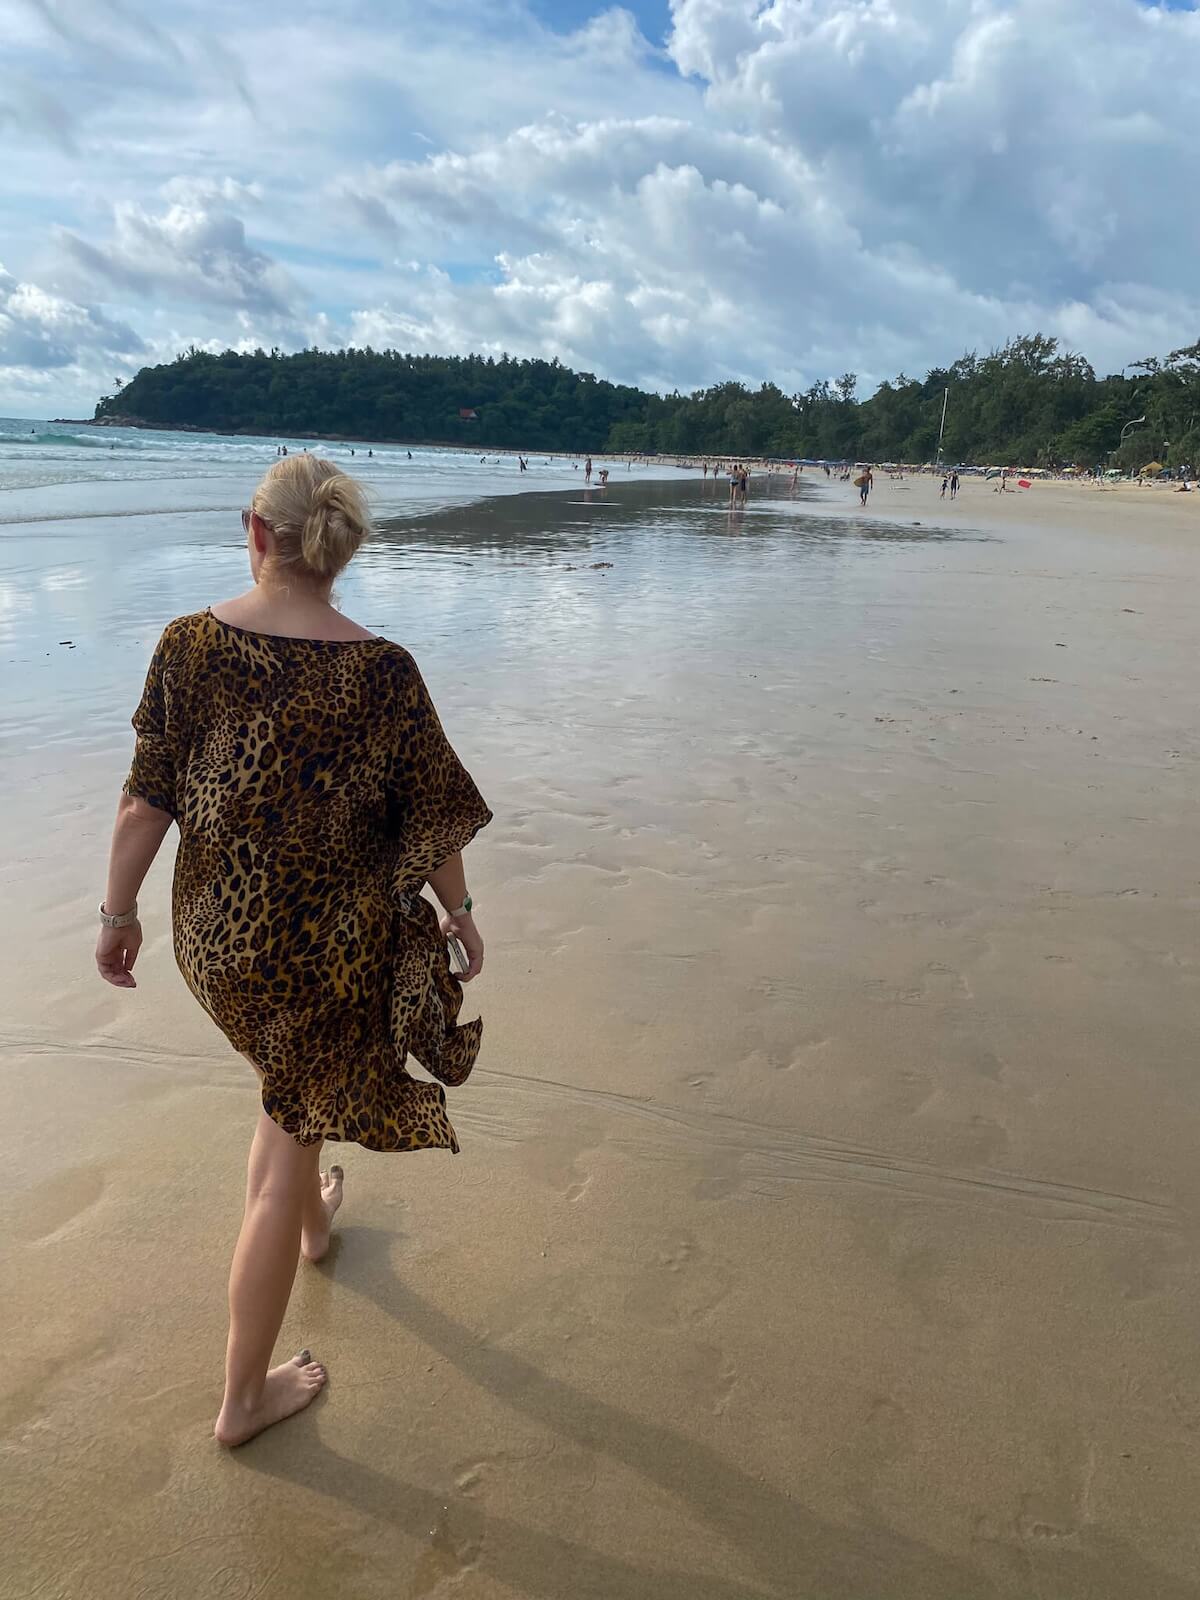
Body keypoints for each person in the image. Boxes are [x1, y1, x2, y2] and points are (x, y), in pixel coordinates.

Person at [95, 455, 492, 1447]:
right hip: (330, 954)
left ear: (255, 532)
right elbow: (429, 814)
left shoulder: (189, 643)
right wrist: (459, 910)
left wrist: (118, 914)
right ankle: (243, 1399)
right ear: (339, 551)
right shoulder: (385, 671)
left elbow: (144, 803)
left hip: (218, 946)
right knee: (282, 1141)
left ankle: (316, 1221)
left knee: (288, 1093)